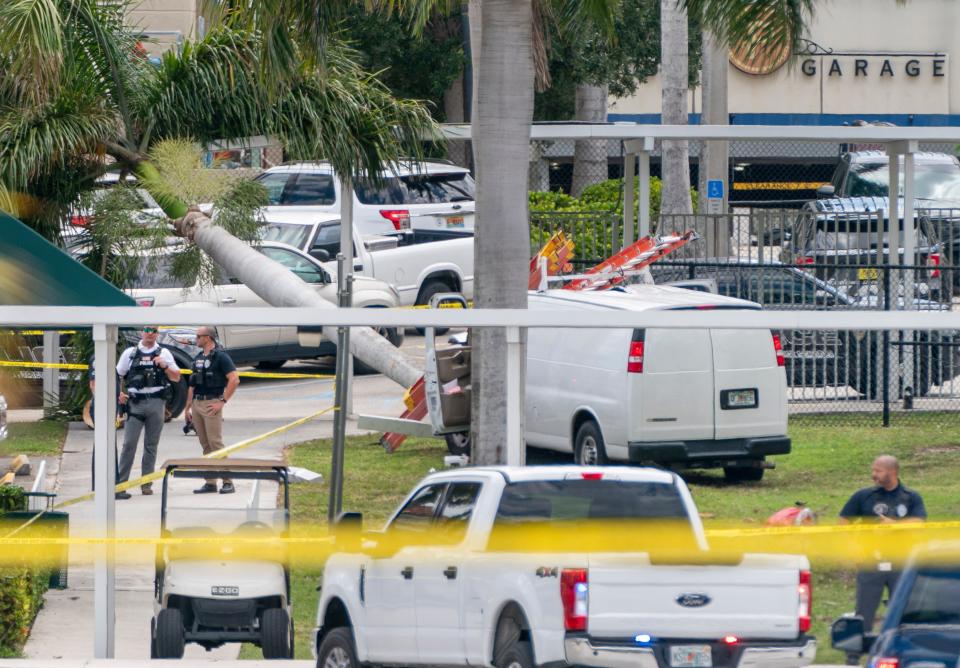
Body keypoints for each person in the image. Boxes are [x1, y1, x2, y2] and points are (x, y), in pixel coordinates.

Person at [838, 455, 926, 664]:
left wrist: (893, 525)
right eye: (873, 470)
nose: (873, 474)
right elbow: (843, 521)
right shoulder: (864, 496)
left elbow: (919, 523)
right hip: (871, 563)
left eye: (878, 470)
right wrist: (854, 550)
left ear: (892, 472)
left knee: (901, 612)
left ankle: (899, 652)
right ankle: (854, 655)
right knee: (864, 611)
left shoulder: (911, 497)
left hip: (901, 564)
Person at [115, 326, 181, 499]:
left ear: (157, 334)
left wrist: (164, 365)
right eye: (147, 329)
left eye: (154, 330)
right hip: (135, 403)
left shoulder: (164, 353)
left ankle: (146, 484)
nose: (150, 333)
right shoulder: (130, 353)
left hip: (156, 402)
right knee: (129, 444)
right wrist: (119, 393)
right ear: (141, 332)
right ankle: (121, 485)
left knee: (151, 445)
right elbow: (117, 374)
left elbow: (177, 376)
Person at [184, 326, 240, 494]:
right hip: (197, 404)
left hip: (212, 403)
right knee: (205, 444)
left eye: (198, 336)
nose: (196, 339)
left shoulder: (221, 357)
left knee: (215, 443)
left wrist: (222, 401)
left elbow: (234, 379)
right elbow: (192, 384)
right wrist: (187, 408)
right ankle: (210, 482)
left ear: (207, 338)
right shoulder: (199, 357)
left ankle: (228, 481)